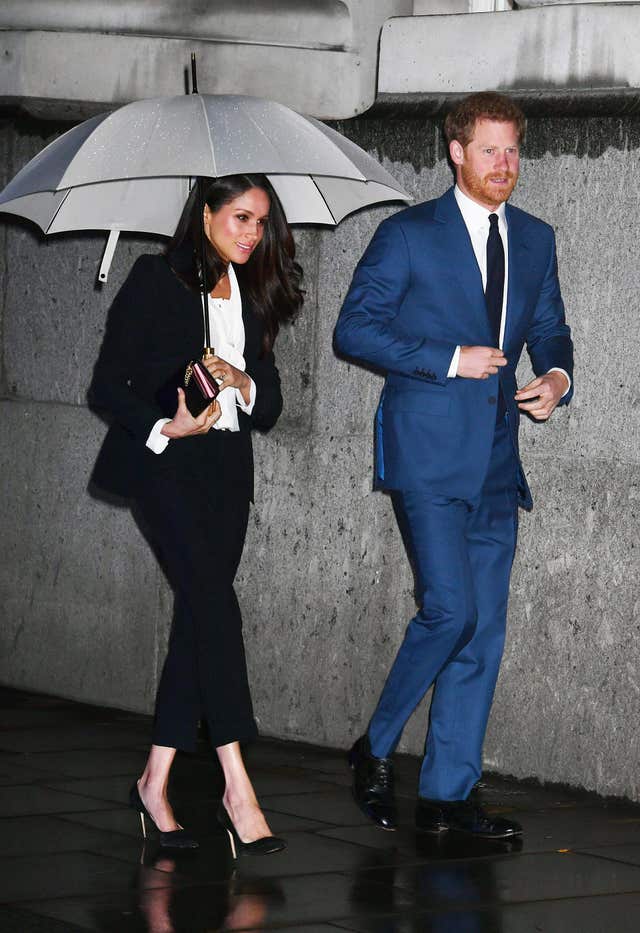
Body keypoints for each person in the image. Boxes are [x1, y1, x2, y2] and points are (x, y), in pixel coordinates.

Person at [334, 92, 573, 839]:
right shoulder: (408, 235)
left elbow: (552, 332)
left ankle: (446, 799)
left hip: (500, 459)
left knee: (483, 633)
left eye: (514, 151)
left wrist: (558, 380)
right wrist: (447, 359)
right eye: (490, 150)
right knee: (451, 610)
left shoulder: (534, 239)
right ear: (457, 152)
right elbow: (354, 329)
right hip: (430, 457)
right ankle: (374, 744)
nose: (505, 165)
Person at [90, 174, 303, 856]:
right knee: (216, 606)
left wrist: (243, 379)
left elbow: (268, 407)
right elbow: (105, 385)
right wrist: (165, 424)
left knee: (198, 619)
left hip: (226, 474)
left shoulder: (253, 291)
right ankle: (238, 787)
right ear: (205, 213)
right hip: (166, 468)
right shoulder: (157, 280)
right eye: (240, 217)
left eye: (261, 222)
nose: (251, 233)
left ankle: (155, 780)